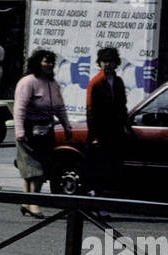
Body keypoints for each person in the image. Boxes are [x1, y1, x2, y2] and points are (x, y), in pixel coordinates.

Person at [13, 49, 72, 217]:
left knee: (38, 168)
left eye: (51, 62)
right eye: (46, 61)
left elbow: (59, 107)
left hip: (46, 130)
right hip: (28, 130)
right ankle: (34, 204)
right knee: (34, 169)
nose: (49, 65)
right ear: (37, 63)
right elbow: (19, 108)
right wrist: (19, 130)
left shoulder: (52, 84)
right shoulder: (28, 82)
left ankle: (26, 201)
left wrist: (66, 126)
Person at [86, 45, 128, 195]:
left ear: (116, 63)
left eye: (110, 61)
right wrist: (95, 136)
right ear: (99, 63)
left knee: (114, 166)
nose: (107, 64)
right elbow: (91, 111)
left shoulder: (118, 82)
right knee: (100, 167)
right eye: (104, 61)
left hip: (115, 130)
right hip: (101, 131)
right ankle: (97, 198)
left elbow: (122, 106)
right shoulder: (96, 82)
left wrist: (125, 127)